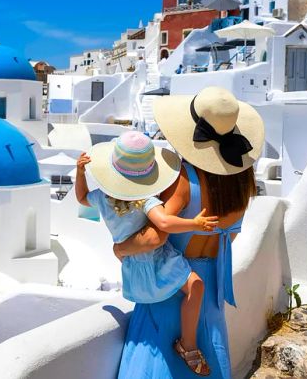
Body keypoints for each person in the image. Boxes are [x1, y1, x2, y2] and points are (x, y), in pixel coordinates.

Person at [116, 87, 264, 379]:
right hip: (209, 289)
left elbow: (155, 236)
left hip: (173, 284)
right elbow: (229, 237)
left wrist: (121, 249)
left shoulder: (184, 178)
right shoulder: (243, 184)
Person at [75, 131, 219, 375]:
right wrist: (195, 224)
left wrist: (80, 173)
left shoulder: (101, 197)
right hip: (159, 261)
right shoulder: (145, 200)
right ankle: (188, 345)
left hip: (133, 264)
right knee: (196, 286)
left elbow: (81, 197)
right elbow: (163, 224)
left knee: (152, 315)